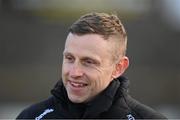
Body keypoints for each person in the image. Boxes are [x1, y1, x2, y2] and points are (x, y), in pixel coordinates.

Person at [16, 12, 166, 119]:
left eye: (88, 62)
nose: (75, 72)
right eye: (69, 58)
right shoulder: (31, 116)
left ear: (119, 67)